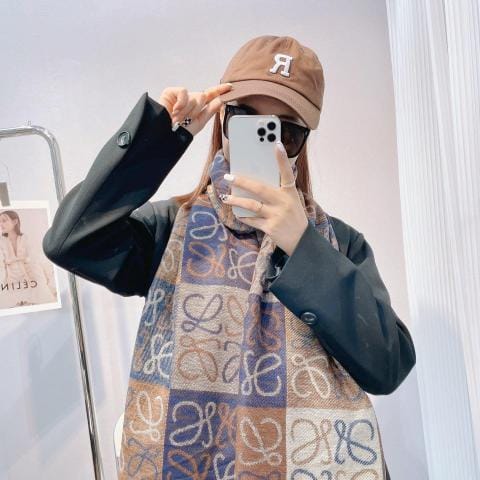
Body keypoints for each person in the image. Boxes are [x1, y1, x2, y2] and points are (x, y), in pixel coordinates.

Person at [43, 35, 415, 479]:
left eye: (286, 131)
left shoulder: (339, 243)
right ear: (222, 120)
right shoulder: (172, 231)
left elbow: (387, 367)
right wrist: (158, 140)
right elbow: (71, 240)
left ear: (302, 142)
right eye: (245, 119)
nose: (266, 139)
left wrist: (303, 245)